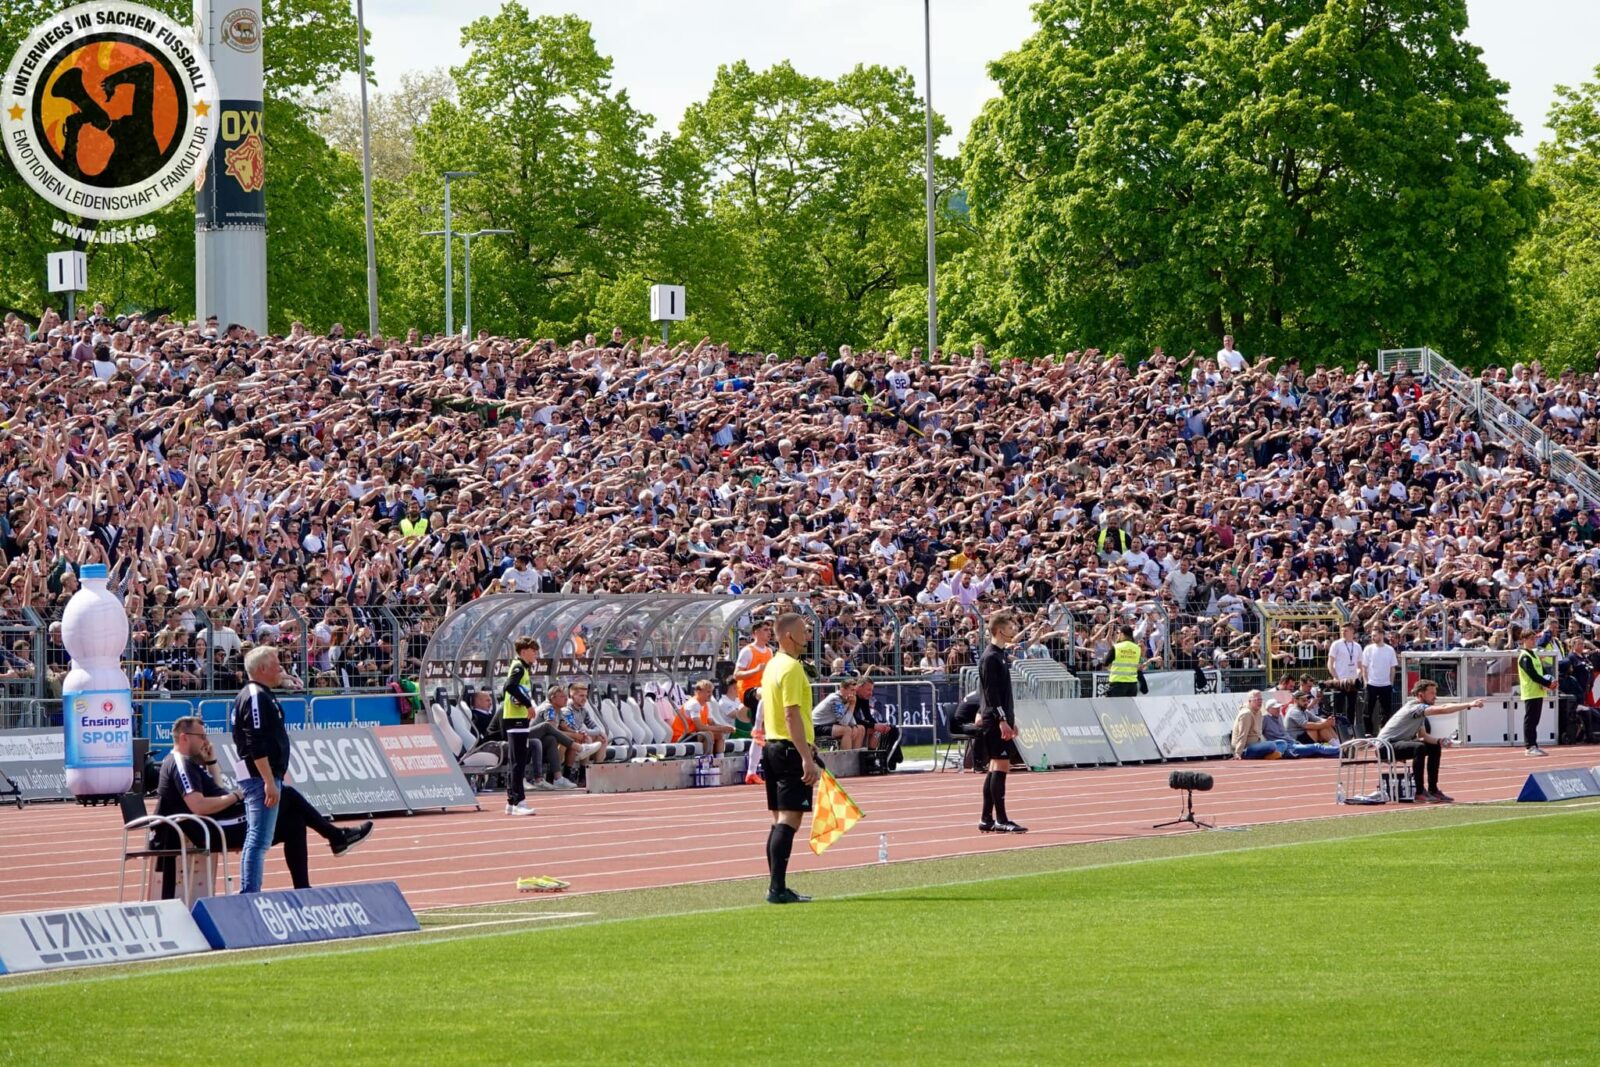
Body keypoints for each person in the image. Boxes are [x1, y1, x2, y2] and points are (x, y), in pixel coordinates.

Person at [155, 716, 371, 896]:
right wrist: (238, 796)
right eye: (201, 736)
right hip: (210, 828)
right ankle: (335, 836)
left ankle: (303, 889)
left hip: (220, 821)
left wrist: (211, 762)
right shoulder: (180, 763)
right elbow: (199, 806)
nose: (205, 741)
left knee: (294, 821)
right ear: (184, 737)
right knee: (285, 795)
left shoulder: (192, 762)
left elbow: (218, 792)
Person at [758, 612, 818, 904]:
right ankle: (777, 888)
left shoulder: (772, 665)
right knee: (790, 819)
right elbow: (791, 713)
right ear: (788, 636)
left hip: (772, 747)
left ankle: (776, 885)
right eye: (804, 632)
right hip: (789, 748)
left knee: (778, 819)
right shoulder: (791, 668)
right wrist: (806, 757)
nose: (807, 637)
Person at [231, 646, 293, 893]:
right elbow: (255, 739)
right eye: (276, 663)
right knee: (258, 840)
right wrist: (268, 778)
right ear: (262, 669)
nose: (281, 668)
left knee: (260, 838)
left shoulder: (262, 694)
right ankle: (250, 892)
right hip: (259, 777)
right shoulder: (256, 696)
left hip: (266, 775)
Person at [1377, 680, 1485, 803]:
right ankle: (1419, 792)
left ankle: (1433, 789)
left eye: (1435, 692)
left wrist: (1439, 741)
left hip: (1396, 745)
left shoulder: (1420, 714)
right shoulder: (1414, 708)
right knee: (1419, 747)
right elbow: (1442, 709)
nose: (1435, 696)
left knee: (1434, 747)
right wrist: (1469, 704)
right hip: (1385, 747)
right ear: (1420, 695)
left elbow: (1423, 735)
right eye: (1432, 693)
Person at [975, 607, 1027, 833]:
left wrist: (1009, 718)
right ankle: (1001, 819)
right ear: (997, 630)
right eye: (1008, 627)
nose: (1012, 630)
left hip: (1000, 718)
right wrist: (1001, 720)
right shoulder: (990, 658)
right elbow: (991, 693)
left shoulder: (1000, 656)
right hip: (995, 720)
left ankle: (987, 818)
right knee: (1001, 766)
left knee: (995, 766)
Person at [501, 635, 541, 816]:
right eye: (533, 651)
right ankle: (519, 801)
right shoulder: (518, 667)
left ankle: (511, 801)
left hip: (516, 717)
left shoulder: (522, 668)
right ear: (524, 652)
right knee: (519, 760)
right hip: (516, 717)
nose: (536, 655)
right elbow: (510, 686)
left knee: (515, 760)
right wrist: (528, 704)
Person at [1515, 626, 1554, 757]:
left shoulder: (1535, 655)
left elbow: (1542, 672)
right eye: (1531, 639)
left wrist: (1551, 682)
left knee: (1535, 720)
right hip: (1530, 691)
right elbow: (1533, 675)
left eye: (1534, 638)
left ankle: (1534, 744)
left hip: (1538, 691)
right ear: (1524, 640)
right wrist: (1548, 683)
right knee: (1530, 720)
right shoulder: (1524, 656)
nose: (1534, 641)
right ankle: (1529, 746)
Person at [852, 678, 902, 772]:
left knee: (892, 729)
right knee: (876, 730)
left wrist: (879, 725)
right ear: (859, 687)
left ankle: (890, 759)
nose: (870, 693)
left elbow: (868, 716)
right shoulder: (851, 696)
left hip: (857, 724)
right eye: (868, 690)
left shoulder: (864, 697)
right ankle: (871, 759)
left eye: (872, 690)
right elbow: (853, 719)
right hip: (848, 725)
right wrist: (875, 726)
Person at [676, 678, 734, 755]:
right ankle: (708, 762)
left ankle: (719, 761)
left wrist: (726, 728)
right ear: (698, 692)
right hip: (682, 736)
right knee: (708, 734)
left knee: (720, 735)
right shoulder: (694, 704)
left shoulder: (706, 704)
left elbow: (712, 723)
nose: (710, 695)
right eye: (708, 692)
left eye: (711, 692)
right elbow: (699, 727)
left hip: (694, 734)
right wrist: (721, 728)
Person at [1326, 623, 1363, 739]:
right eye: (1342, 630)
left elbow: (1359, 664)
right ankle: (1337, 731)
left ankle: (1350, 729)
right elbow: (1330, 663)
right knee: (1338, 707)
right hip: (1340, 681)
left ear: (1352, 631)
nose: (1343, 632)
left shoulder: (1357, 646)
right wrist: (1336, 678)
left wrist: (1359, 675)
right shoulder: (1336, 644)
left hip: (1352, 681)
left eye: (1346, 630)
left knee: (1351, 707)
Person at [1360, 627, 1398, 738]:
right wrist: (1366, 681)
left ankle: (1383, 732)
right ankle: (1368, 732)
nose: (1373, 637)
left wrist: (1391, 683)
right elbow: (1364, 667)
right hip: (1372, 684)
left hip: (1385, 685)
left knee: (1386, 711)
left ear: (1381, 635)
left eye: (1375, 635)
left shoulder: (1389, 649)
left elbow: (1392, 668)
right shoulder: (1368, 649)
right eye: (1372, 635)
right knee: (1367, 710)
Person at [812, 678, 866, 749]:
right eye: (852, 690)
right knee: (847, 730)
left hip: (828, 724)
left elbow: (852, 722)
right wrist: (852, 705)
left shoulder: (845, 699)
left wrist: (854, 726)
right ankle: (845, 758)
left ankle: (855, 758)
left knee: (860, 728)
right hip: (817, 726)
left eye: (855, 691)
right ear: (842, 690)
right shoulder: (835, 699)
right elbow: (844, 723)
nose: (854, 694)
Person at [733, 620, 775, 703]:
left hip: (762, 691)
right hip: (748, 692)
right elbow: (736, 675)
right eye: (765, 630)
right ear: (756, 633)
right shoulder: (747, 651)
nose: (769, 632)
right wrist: (756, 670)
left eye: (769, 630)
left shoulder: (769, 651)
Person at [1105, 624, 1144, 697]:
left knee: (1113, 707)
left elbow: (1105, 662)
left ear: (1122, 634)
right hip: (1132, 684)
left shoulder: (1116, 647)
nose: (1117, 635)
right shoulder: (1137, 648)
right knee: (1129, 708)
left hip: (1117, 683)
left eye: (1118, 633)